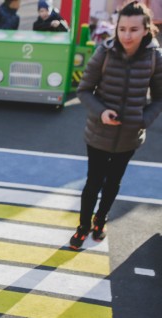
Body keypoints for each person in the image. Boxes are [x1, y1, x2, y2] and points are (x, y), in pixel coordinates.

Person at [69, 1, 162, 250]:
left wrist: (144, 119)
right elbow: (84, 90)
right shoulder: (104, 53)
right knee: (93, 183)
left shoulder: (155, 57)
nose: (127, 35)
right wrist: (102, 112)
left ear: (146, 30)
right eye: (122, 29)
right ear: (116, 28)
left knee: (113, 183)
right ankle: (83, 226)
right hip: (99, 133)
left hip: (130, 136)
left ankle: (101, 220)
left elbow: (159, 97)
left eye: (133, 29)